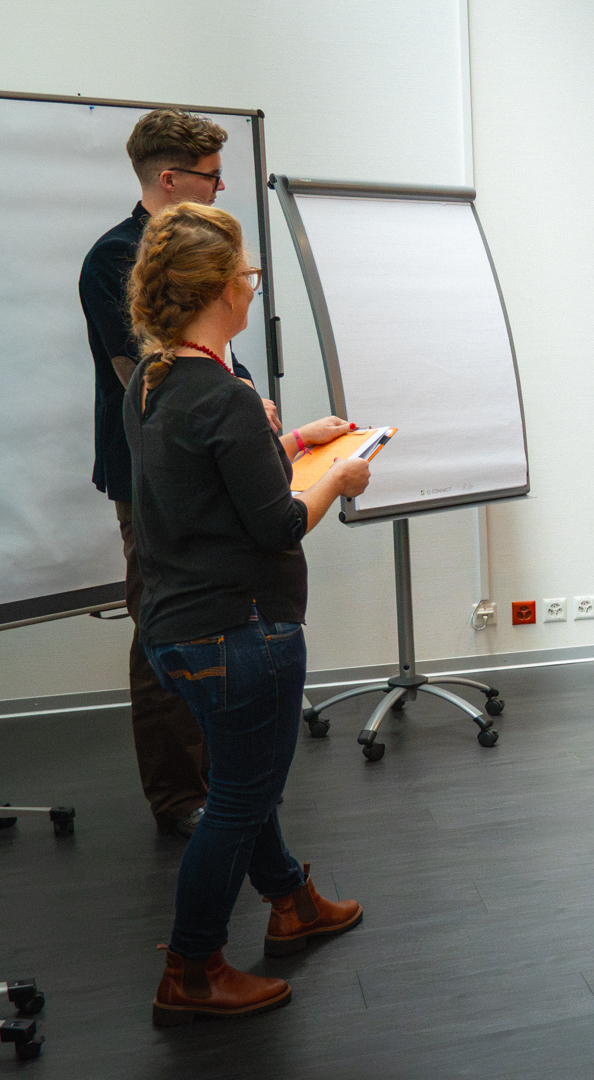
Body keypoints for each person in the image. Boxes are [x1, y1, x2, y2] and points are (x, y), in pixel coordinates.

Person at [125, 201, 371, 1025]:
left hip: (173, 628)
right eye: (247, 275)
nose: (250, 286)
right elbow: (276, 523)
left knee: (244, 777)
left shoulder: (153, 383)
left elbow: (206, 480)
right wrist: (337, 478)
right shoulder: (224, 395)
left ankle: (292, 901)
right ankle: (192, 970)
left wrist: (292, 443)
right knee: (238, 798)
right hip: (239, 630)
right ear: (219, 290)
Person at [78, 108, 348, 840]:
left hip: (221, 451)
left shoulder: (199, 248)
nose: (220, 189)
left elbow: (217, 360)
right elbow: (148, 377)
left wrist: (261, 418)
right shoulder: (115, 258)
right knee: (168, 626)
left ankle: (234, 789)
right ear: (170, 179)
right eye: (210, 178)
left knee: (227, 625)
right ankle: (182, 797)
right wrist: (239, 410)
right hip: (159, 475)